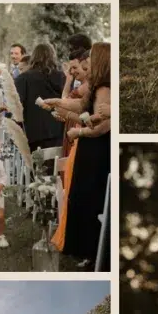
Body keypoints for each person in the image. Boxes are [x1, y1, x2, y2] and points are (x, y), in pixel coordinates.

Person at [42, 42, 111, 270]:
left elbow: (102, 127)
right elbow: (81, 106)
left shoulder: (104, 88)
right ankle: (87, 250)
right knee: (83, 197)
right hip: (90, 147)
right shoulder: (97, 86)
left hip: (96, 149)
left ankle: (92, 252)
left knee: (90, 198)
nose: (87, 62)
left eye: (91, 58)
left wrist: (78, 132)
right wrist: (57, 103)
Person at [15, 44, 66, 151]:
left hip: (33, 133)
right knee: (57, 160)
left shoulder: (23, 78)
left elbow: (17, 106)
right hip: (58, 131)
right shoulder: (61, 76)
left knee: (36, 161)